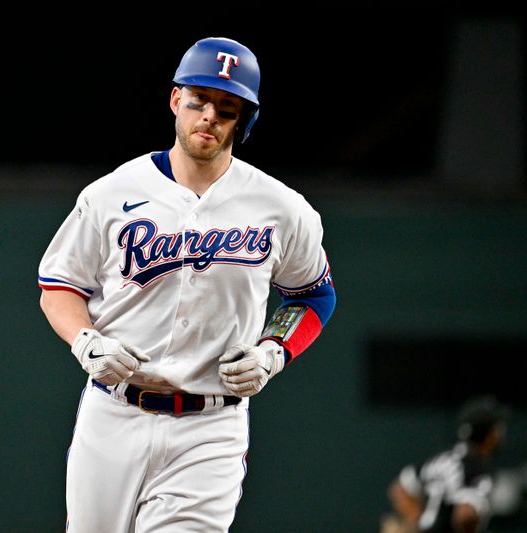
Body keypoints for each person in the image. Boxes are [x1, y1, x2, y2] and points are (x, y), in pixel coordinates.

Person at [37, 36, 336, 532]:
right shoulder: (113, 193)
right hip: (115, 412)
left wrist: (274, 350)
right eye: (199, 100)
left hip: (210, 425)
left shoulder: (282, 208)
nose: (209, 116)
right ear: (176, 99)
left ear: (244, 119)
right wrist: (84, 340)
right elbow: (60, 285)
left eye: (227, 107)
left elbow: (314, 293)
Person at [385, 395, 509, 533]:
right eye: (497, 428)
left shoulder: (443, 456)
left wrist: (416, 523)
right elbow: (465, 515)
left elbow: (400, 488)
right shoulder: (477, 465)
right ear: (488, 434)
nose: (500, 434)